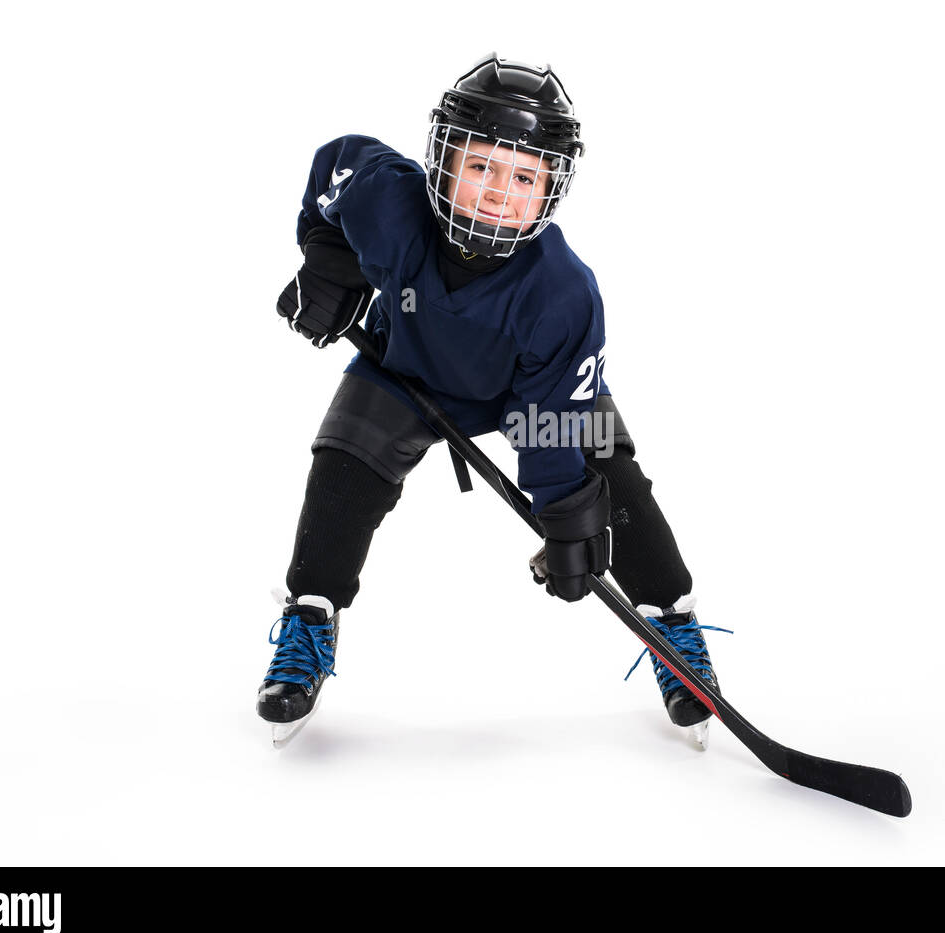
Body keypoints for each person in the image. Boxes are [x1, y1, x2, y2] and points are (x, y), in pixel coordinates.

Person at [258, 54, 724, 748]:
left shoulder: (563, 294)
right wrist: (328, 263)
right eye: (482, 167)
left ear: (550, 190)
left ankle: (673, 626)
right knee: (341, 470)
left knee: (610, 483)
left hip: (527, 397)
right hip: (403, 369)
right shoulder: (387, 203)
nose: (500, 192)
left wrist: (564, 516)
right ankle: (311, 616)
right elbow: (333, 171)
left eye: (525, 176)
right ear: (443, 163)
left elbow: (551, 425)